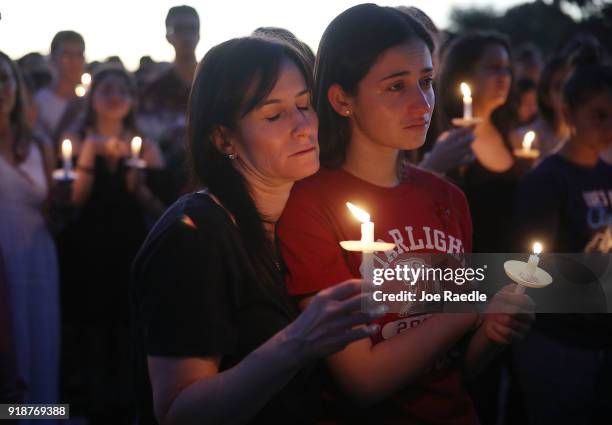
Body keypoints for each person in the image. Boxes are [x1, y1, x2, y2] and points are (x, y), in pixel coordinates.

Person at [277, 5, 534, 425]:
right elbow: (363, 383)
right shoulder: (310, 204)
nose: (423, 103)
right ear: (343, 99)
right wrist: (470, 308)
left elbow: (457, 367)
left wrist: (494, 330)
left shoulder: (447, 197)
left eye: (427, 82)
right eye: (396, 86)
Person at [131, 36, 383, 425]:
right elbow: (177, 412)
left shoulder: (307, 215)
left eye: (303, 105)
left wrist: (497, 290)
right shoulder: (193, 236)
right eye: (274, 115)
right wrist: (296, 343)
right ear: (223, 138)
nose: (303, 126)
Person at [57, 65, 165, 425]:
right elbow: (73, 201)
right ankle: (93, 404)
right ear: (93, 98)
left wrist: (141, 183)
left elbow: (162, 208)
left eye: (123, 89)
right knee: (93, 325)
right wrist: (90, 151)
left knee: (128, 326)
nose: (115, 94)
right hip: (88, 247)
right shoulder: (77, 138)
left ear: (133, 100)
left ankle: (127, 404)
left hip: (132, 245)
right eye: (107, 89)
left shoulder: (145, 146)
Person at [513, 64, 612, 425]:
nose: (608, 126)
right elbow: (529, 268)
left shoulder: (606, 173)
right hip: (558, 341)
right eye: (599, 115)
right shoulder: (548, 181)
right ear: (568, 113)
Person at [0, 51, 60, 423]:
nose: (0, 89)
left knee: (40, 344)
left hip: (38, 258)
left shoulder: (39, 145)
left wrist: (64, 202)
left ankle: (42, 415)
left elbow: (53, 214)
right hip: (1, 261)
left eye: (5, 79)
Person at [437, 31, 522, 254]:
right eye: (493, 68)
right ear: (466, 73)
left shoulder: (508, 133)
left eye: (506, 68)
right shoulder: (446, 138)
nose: (503, 76)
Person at [34, 31, 86, 148]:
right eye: (67, 55)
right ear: (53, 59)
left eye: (79, 54)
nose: (75, 61)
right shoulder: (40, 101)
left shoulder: (91, 99)